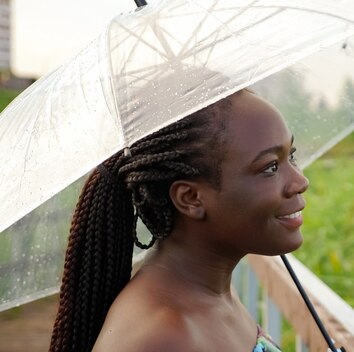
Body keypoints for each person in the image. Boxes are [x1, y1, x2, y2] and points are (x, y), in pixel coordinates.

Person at [49, 89, 309, 352]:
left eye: (292, 155)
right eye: (270, 167)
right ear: (191, 198)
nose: (301, 181)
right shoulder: (160, 338)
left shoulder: (213, 291)